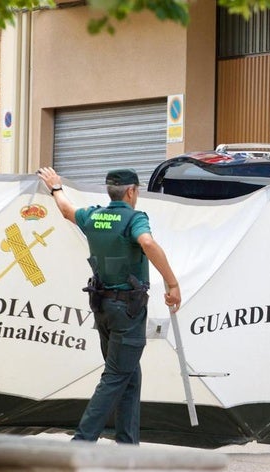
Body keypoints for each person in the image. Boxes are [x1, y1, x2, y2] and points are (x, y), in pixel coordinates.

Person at [38, 166, 181, 444]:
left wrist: (56, 187)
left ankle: (127, 446)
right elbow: (148, 243)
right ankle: (81, 444)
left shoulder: (94, 215)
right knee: (116, 376)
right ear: (131, 191)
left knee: (128, 375)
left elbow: (67, 210)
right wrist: (172, 284)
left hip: (102, 308)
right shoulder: (134, 218)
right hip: (128, 310)